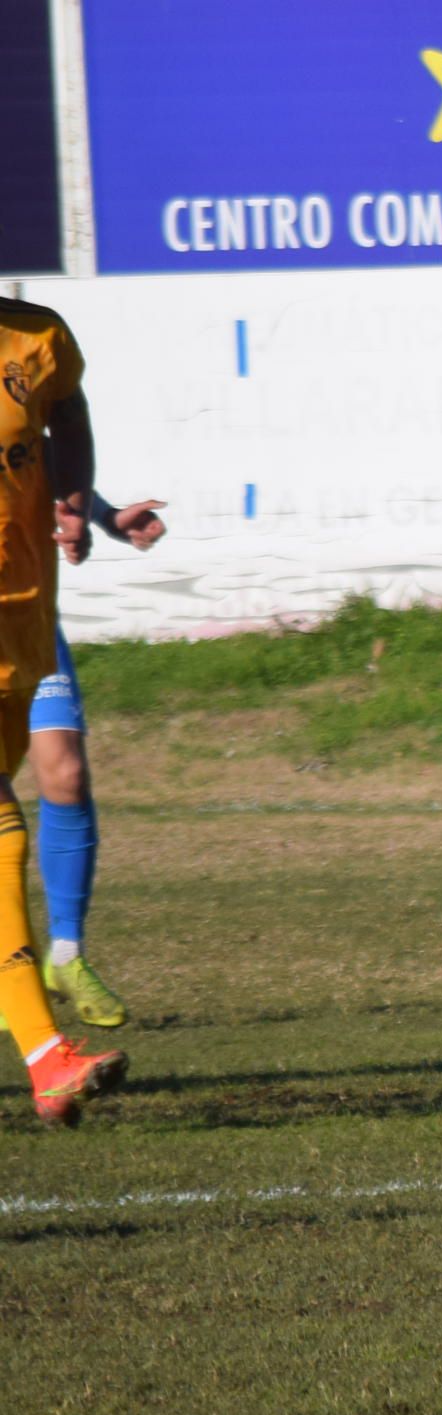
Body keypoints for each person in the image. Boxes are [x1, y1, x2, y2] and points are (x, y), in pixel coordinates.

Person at [0, 294, 127, 1124]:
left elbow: (67, 422)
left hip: (18, 619)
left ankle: (45, 1049)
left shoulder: (38, 339)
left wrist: (80, 503)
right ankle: (47, 1055)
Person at [33, 493, 168, 1030]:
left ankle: (64, 954)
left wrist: (106, 518)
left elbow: (41, 456)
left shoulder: (18, 408)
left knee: (66, 774)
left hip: (28, 615)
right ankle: (9, 973)